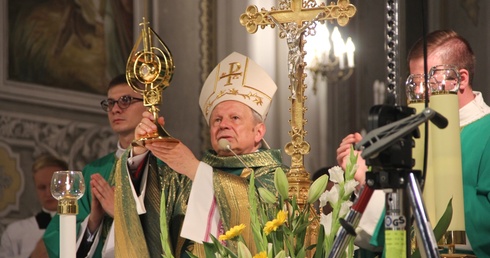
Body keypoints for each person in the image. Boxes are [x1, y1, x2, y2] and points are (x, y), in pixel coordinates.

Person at [117, 52, 288, 257]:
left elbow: (267, 223)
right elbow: (150, 214)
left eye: (234, 118)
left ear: (258, 131)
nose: (223, 124)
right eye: (216, 120)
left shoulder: (279, 178)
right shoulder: (182, 179)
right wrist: (141, 151)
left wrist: (194, 169)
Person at [337, 30, 490, 256]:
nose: (420, 92)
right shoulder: (412, 133)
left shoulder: (485, 132)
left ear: (461, 79)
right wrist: (367, 177)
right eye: (415, 82)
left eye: (429, 81)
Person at [43, 74, 148, 258]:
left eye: (125, 100)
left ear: (149, 105)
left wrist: (122, 214)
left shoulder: (167, 170)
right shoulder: (93, 172)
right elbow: (57, 238)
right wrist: (93, 221)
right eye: (110, 103)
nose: (115, 109)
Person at [0, 154, 68, 258]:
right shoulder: (15, 233)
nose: (48, 193)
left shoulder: (86, 227)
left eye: (54, 186)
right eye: (42, 187)